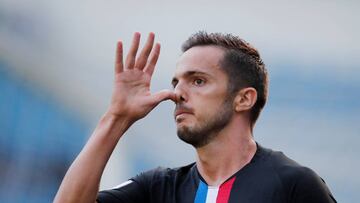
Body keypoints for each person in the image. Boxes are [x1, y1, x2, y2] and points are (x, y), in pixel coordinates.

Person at [54, 32, 337, 203]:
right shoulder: (158, 188)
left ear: (244, 99)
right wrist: (116, 117)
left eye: (198, 81)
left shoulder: (294, 185)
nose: (177, 93)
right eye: (176, 82)